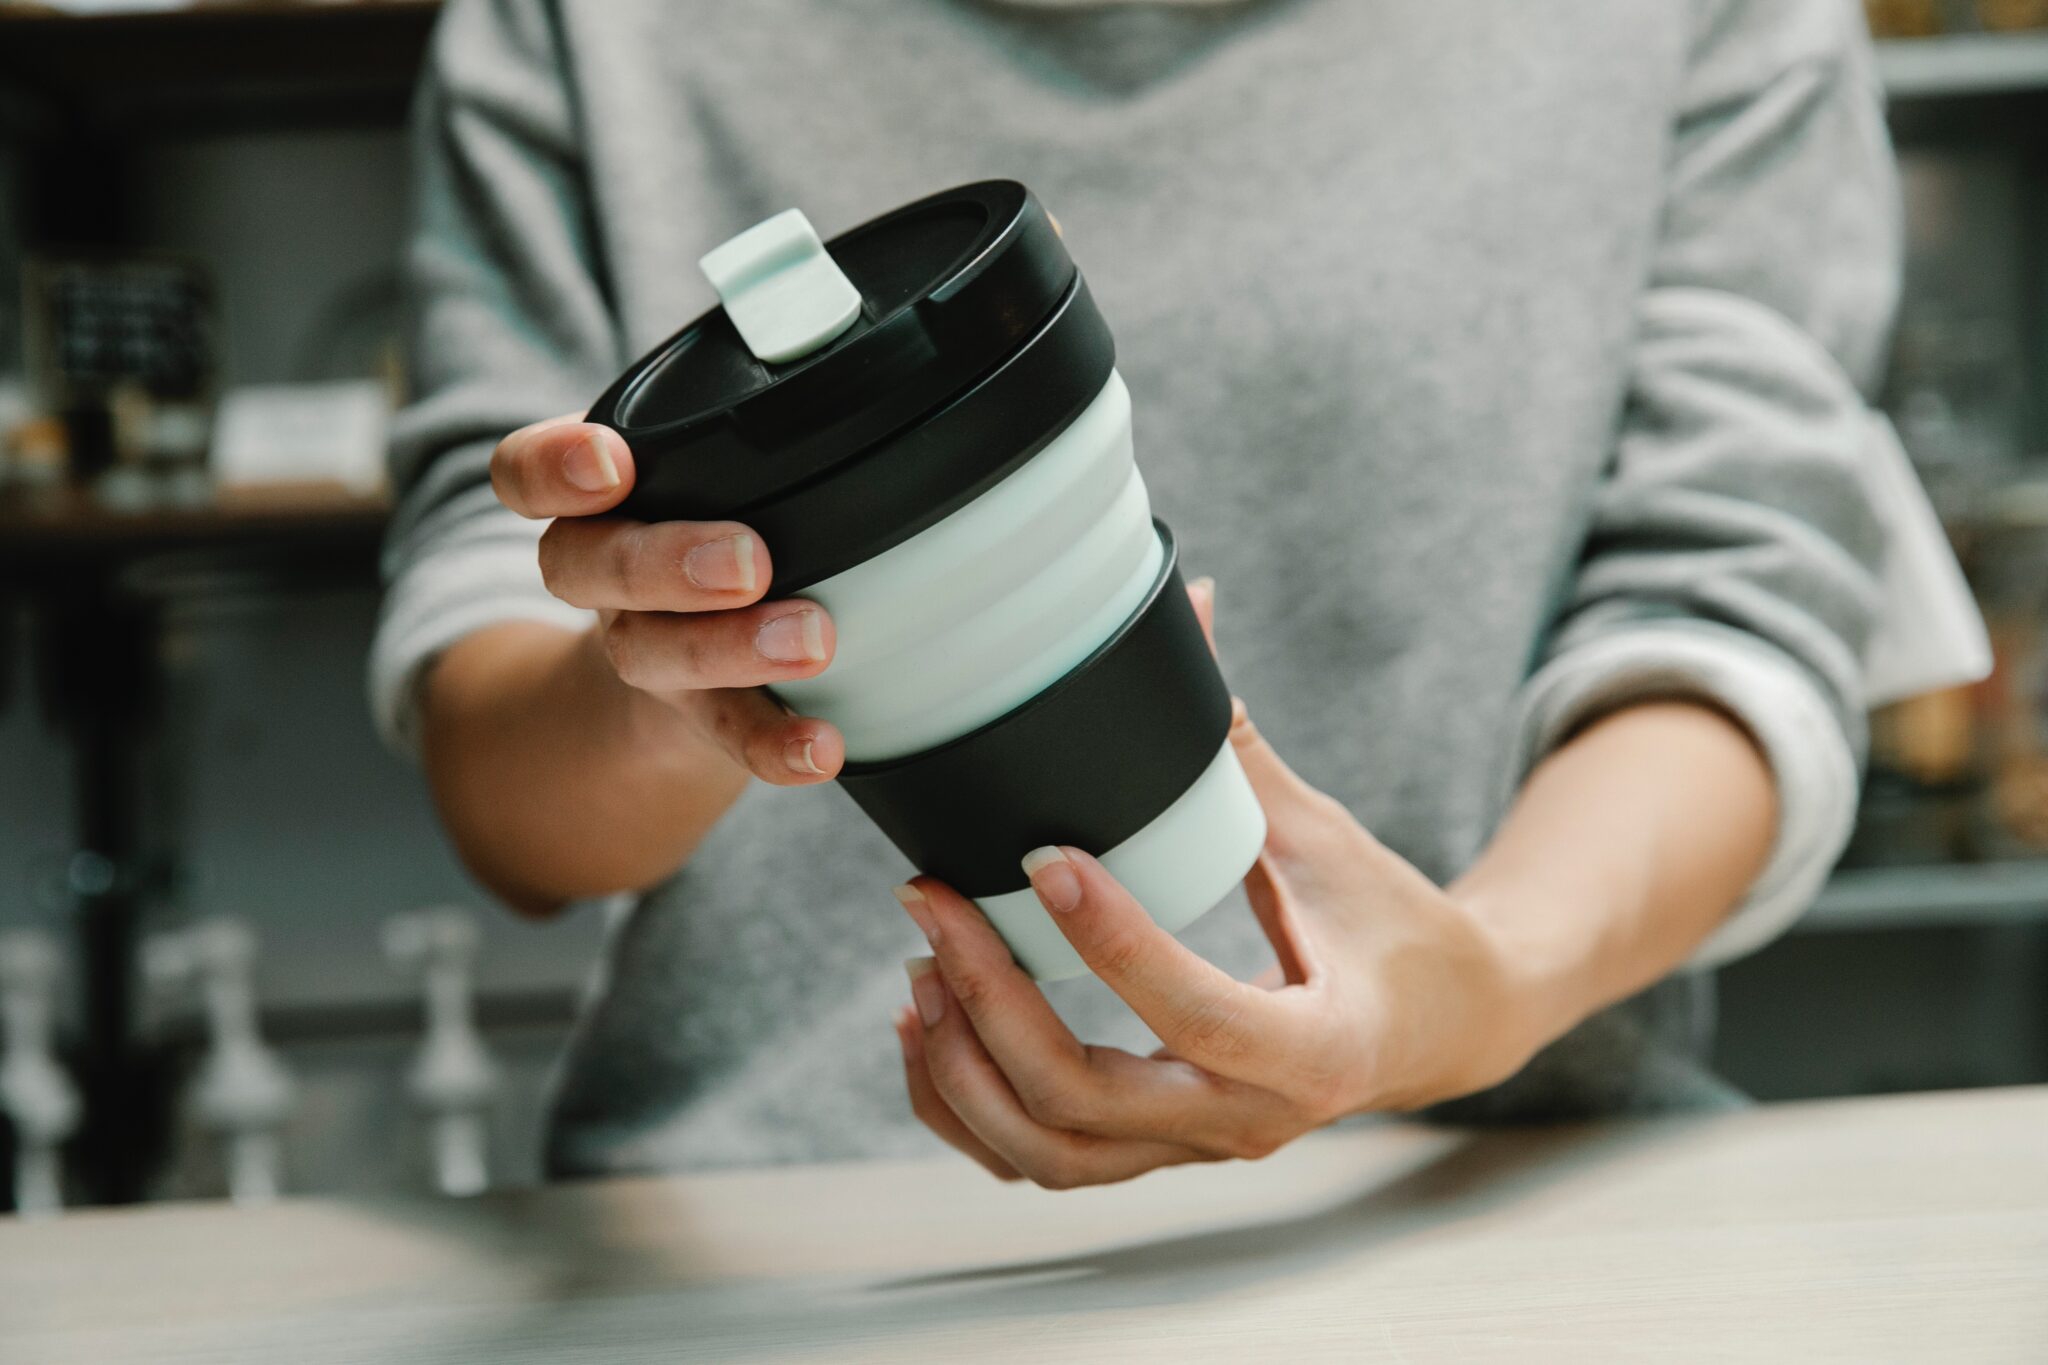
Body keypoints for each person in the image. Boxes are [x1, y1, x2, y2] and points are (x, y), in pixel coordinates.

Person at [376, 0, 1904, 1185]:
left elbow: (1735, 608)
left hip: (1484, 1181)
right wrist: (686, 676)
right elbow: (503, 775)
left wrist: (1477, 987)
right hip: (774, 1227)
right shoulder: (594, 27)